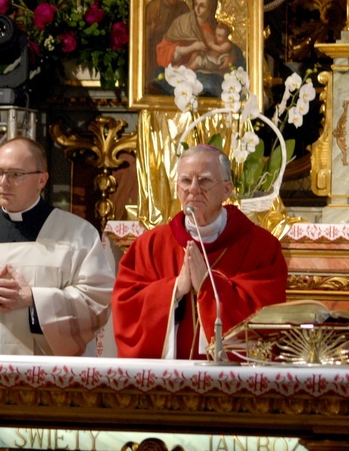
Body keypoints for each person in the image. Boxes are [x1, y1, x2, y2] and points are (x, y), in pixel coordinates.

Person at [112, 145, 287, 359]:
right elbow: (127, 309)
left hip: (234, 383)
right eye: (185, 181)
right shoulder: (150, 245)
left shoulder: (261, 247)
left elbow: (267, 320)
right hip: (168, 384)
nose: (193, 189)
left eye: (204, 180)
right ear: (177, 189)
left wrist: (210, 285)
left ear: (227, 189)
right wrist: (175, 289)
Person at [0, 137, 114, 356]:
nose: (2, 182)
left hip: (47, 377)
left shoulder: (78, 234)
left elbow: (96, 301)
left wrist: (34, 299)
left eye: (15, 174)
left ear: (42, 180)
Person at [145, 0, 190, 84]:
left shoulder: (183, 7)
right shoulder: (153, 7)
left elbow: (189, 30)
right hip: (155, 49)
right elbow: (142, 35)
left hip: (176, 50)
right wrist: (153, 27)